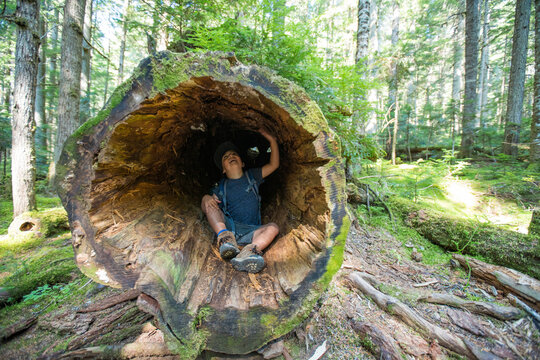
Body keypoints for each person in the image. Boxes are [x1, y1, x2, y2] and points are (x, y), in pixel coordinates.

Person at [201, 130, 279, 273]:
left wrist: (272, 140)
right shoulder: (221, 186)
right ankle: (224, 239)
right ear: (223, 169)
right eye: (226, 156)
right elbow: (209, 205)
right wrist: (206, 197)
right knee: (208, 204)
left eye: (234, 154)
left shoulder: (253, 176)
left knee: (273, 227)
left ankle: (249, 252)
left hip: (252, 231)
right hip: (231, 228)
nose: (231, 156)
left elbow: (273, 165)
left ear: (243, 163)